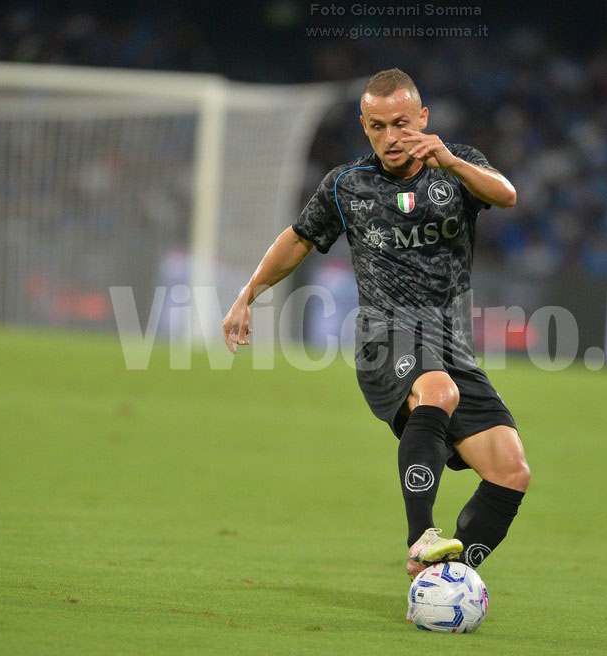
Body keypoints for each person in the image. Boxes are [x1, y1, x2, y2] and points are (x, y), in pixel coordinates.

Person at [222, 68, 530, 580]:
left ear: (423, 118)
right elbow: (298, 238)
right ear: (364, 125)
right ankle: (421, 537)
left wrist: (452, 163)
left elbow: (506, 195)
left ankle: (443, 580)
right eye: (377, 126)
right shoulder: (347, 184)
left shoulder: (457, 167)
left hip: (451, 344)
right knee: (438, 390)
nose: (391, 137)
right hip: (384, 335)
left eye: (401, 123)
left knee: (511, 470)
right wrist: (247, 293)